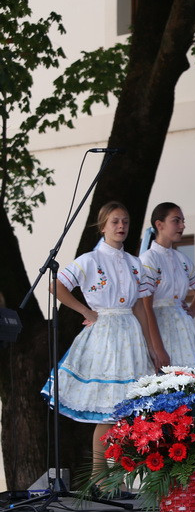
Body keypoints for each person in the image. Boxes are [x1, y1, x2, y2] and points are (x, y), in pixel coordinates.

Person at [41, 201, 155, 486]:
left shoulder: (134, 263)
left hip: (130, 335)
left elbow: (139, 307)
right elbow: (55, 285)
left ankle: (119, 476)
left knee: (128, 411)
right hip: (105, 334)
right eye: (115, 221)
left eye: (125, 221)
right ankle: (99, 475)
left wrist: (150, 344)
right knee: (109, 410)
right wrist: (85, 310)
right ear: (103, 226)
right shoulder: (90, 260)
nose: (121, 226)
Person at [139, 202, 195, 371]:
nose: (182, 226)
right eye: (176, 221)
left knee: (188, 377)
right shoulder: (149, 259)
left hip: (182, 330)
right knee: (165, 378)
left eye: (183, 221)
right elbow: (146, 306)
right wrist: (158, 348)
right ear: (159, 224)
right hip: (159, 328)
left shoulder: (182, 259)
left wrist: (190, 312)